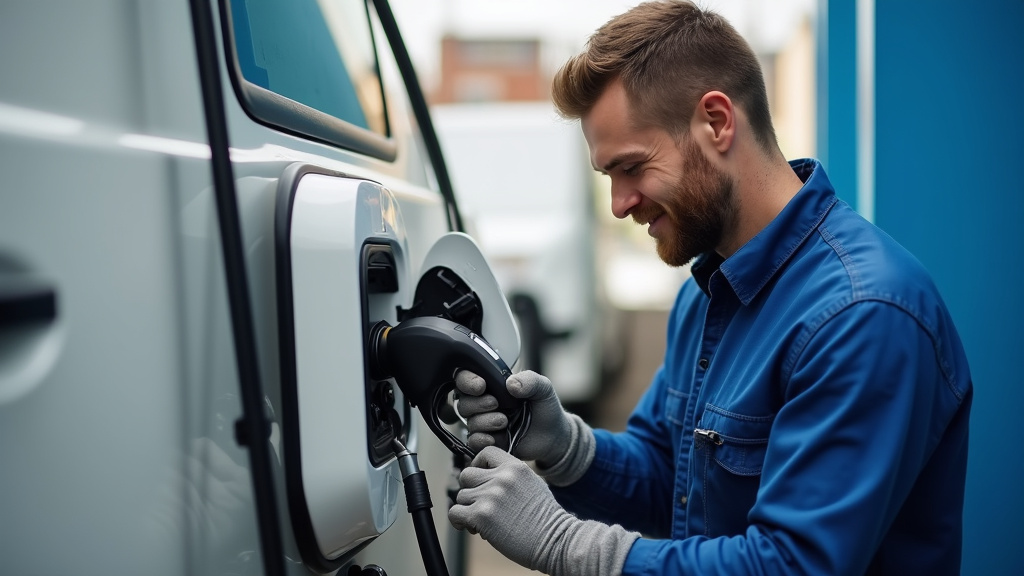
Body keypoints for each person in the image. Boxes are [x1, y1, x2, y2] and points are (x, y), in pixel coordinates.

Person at [446, 1, 973, 575]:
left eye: (633, 167)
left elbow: (793, 565)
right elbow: (670, 478)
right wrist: (564, 448)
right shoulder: (707, 291)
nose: (620, 204)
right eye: (609, 179)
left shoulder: (863, 314)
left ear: (718, 121)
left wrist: (564, 544)